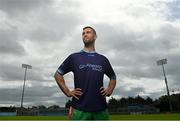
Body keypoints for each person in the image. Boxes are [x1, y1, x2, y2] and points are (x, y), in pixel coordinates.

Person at [54, 26, 116, 120]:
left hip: (101, 109)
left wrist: (109, 90)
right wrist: (67, 92)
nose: (85, 34)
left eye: (88, 32)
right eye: (83, 33)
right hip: (79, 109)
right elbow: (58, 74)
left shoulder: (103, 59)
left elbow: (113, 76)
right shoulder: (74, 57)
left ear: (95, 36)